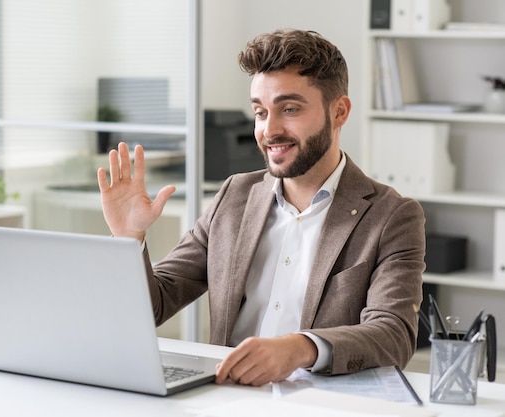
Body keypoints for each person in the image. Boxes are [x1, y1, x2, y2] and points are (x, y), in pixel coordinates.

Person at [96, 29, 425, 387]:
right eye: (260, 112)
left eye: (290, 109)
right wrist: (129, 237)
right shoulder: (235, 195)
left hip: (321, 402)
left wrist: (301, 348)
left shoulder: (391, 215)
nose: (269, 130)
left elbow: (393, 334)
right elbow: (154, 304)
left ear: (339, 111)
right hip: (225, 397)